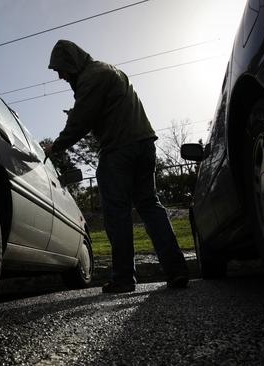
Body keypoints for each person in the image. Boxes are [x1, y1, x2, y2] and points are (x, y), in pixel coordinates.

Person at [44, 40, 189, 293]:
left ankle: (123, 278)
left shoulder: (91, 77)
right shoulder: (109, 69)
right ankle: (176, 270)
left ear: (71, 63)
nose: (60, 75)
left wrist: (55, 147)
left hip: (119, 150)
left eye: (60, 69)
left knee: (117, 214)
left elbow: (81, 120)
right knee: (149, 205)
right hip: (145, 143)